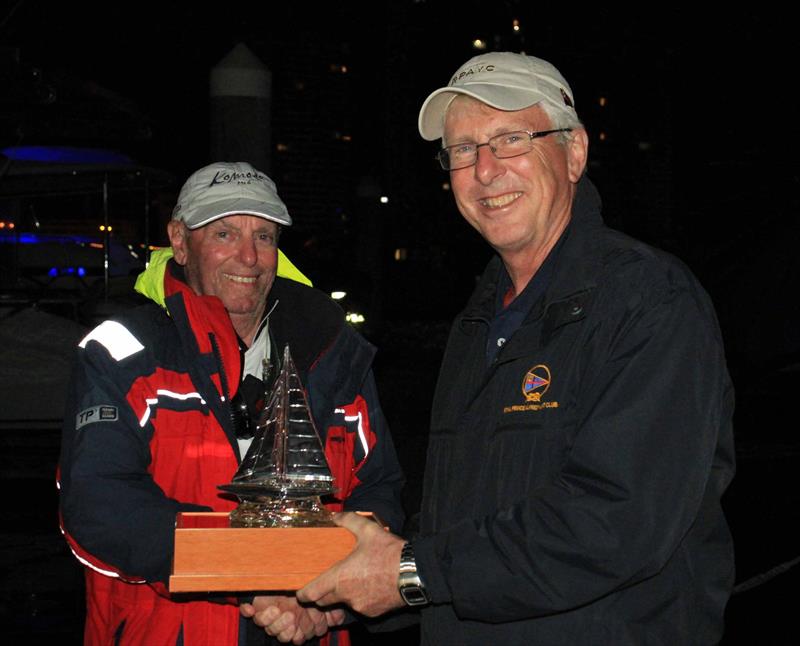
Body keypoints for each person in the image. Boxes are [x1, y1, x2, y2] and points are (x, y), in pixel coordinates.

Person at [297, 52, 736, 644]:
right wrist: (343, 595)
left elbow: (613, 524)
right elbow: (463, 529)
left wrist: (405, 573)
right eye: (461, 150)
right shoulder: (478, 322)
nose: (484, 169)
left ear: (574, 152)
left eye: (511, 139)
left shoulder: (648, 300)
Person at [58, 161, 405, 646]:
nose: (249, 257)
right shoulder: (123, 353)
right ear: (179, 241)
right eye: (224, 233)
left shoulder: (332, 353)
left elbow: (380, 489)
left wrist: (331, 604)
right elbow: (99, 506)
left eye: (263, 236)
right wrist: (253, 578)